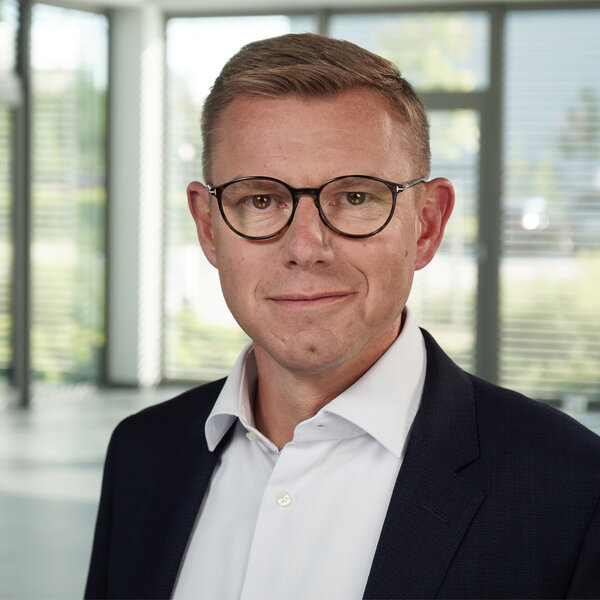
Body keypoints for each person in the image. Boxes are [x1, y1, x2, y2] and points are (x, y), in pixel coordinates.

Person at [85, 33, 600, 599]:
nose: (306, 248)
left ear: (426, 225)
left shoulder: (573, 488)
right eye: (260, 200)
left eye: (356, 198)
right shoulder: (142, 453)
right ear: (209, 229)